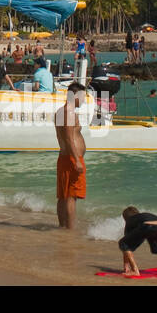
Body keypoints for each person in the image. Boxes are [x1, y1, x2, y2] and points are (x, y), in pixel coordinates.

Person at [54, 83, 88, 229]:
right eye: (83, 96)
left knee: (63, 196)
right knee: (71, 197)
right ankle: (70, 230)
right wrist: (77, 160)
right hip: (71, 158)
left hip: (65, 158)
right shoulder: (68, 112)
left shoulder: (62, 111)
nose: (84, 100)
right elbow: (68, 138)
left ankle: (63, 228)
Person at [118, 207, 157, 277]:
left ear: (125, 218)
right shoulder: (142, 216)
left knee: (123, 243)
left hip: (147, 226)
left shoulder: (130, 220)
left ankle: (135, 271)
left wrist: (126, 265)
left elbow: (126, 245)